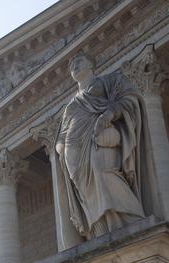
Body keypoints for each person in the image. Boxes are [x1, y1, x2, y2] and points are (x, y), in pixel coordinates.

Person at [54, 53, 151, 241]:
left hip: (99, 137)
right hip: (74, 152)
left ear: (92, 64)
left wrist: (110, 113)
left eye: (79, 61)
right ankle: (100, 232)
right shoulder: (71, 105)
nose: (74, 66)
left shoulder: (108, 82)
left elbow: (129, 98)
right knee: (86, 193)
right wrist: (60, 148)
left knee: (104, 171)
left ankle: (131, 219)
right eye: (72, 64)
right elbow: (63, 133)